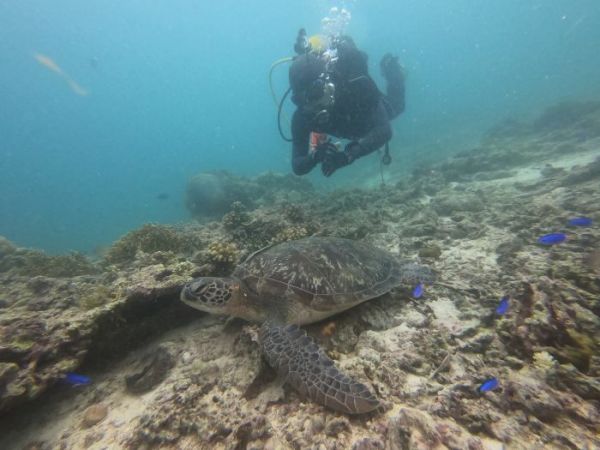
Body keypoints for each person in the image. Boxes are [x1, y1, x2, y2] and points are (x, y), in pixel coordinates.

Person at [289, 32, 405, 177]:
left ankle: (391, 69)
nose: (310, 104)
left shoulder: (355, 87)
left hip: (364, 117)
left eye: (314, 93)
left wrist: (348, 155)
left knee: (397, 106)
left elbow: (384, 130)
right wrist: (315, 156)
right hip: (350, 127)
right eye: (299, 100)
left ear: (327, 85)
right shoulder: (303, 115)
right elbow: (297, 166)